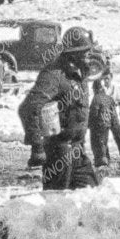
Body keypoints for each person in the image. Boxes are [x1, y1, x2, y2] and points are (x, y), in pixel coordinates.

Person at [23, 28, 99, 192]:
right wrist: (37, 147)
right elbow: (29, 107)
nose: (89, 55)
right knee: (55, 204)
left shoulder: (80, 73)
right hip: (59, 153)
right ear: (73, 53)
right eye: (85, 51)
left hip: (78, 151)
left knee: (91, 197)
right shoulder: (54, 74)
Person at [87, 63, 120, 170]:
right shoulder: (108, 97)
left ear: (95, 89)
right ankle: (106, 158)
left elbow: (93, 113)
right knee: (104, 142)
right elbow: (113, 113)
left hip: (98, 125)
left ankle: (101, 161)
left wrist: (88, 125)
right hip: (107, 124)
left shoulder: (96, 98)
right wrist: (115, 126)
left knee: (96, 143)